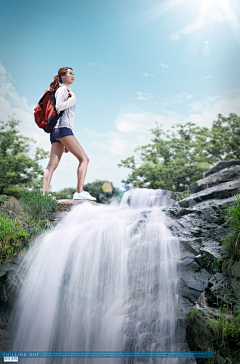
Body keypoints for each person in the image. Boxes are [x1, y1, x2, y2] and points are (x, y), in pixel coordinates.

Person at [42, 67, 96, 201]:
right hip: (63, 129)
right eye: (70, 74)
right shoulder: (63, 90)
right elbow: (59, 106)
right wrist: (73, 99)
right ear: (62, 76)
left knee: (52, 164)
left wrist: (65, 141)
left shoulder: (64, 90)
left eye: (73, 74)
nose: (73, 76)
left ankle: (44, 195)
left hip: (58, 131)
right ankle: (79, 192)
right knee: (84, 159)